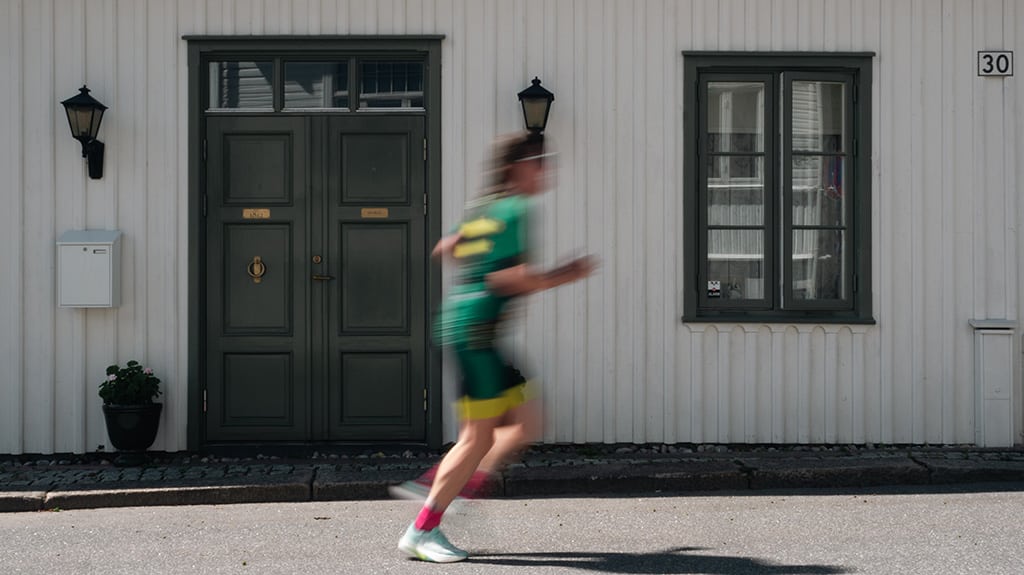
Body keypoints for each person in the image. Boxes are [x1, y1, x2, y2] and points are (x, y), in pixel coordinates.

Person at [394, 132, 596, 563]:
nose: (546, 168)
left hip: (471, 328)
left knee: (526, 421)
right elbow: (510, 278)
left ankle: (448, 486)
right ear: (515, 168)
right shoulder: (515, 208)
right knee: (477, 438)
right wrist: (567, 273)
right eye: (539, 161)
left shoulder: (485, 208)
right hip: (476, 333)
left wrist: (478, 260)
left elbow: (445, 247)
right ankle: (424, 526)